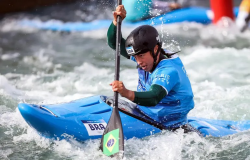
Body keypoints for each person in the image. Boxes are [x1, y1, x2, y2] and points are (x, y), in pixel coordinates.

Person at [107, 5, 195, 131]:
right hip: (144, 115)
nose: (138, 61)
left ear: (155, 50)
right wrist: (116, 21)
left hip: (172, 127)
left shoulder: (168, 71)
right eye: (135, 57)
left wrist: (126, 93)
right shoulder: (147, 56)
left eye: (141, 56)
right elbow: (114, 43)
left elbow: (154, 97)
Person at [123, 0, 190, 22]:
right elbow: (153, 4)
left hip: (127, 19)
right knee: (164, 12)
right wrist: (170, 5)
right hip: (140, 19)